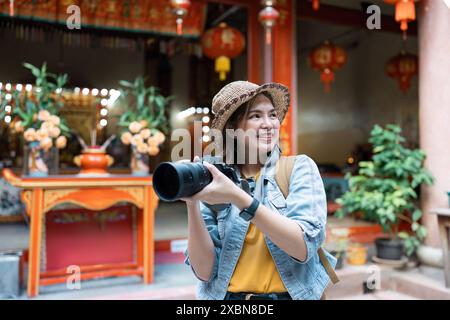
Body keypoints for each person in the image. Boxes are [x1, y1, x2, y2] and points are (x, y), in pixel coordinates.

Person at [182, 81, 336, 300]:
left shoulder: (298, 168)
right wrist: (192, 204)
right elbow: (205, 272)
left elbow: (303, 248)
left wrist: (239, 197)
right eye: (255, 116)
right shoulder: (216, 181)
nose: (269, 124)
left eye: (272, 115)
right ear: (233, 130)